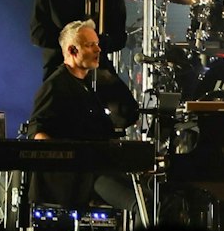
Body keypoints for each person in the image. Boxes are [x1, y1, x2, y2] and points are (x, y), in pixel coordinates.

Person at [28, 19, 143, 212]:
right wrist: (66, 158)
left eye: (97, 44)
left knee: (155, 199)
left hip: (97, 170)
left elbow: (125, 115)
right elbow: (37, 131)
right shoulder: (55, 86)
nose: (98, 50)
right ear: (73, 51)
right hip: (79, 178)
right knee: (140, 205)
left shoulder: (88, 85)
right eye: (90, 45)